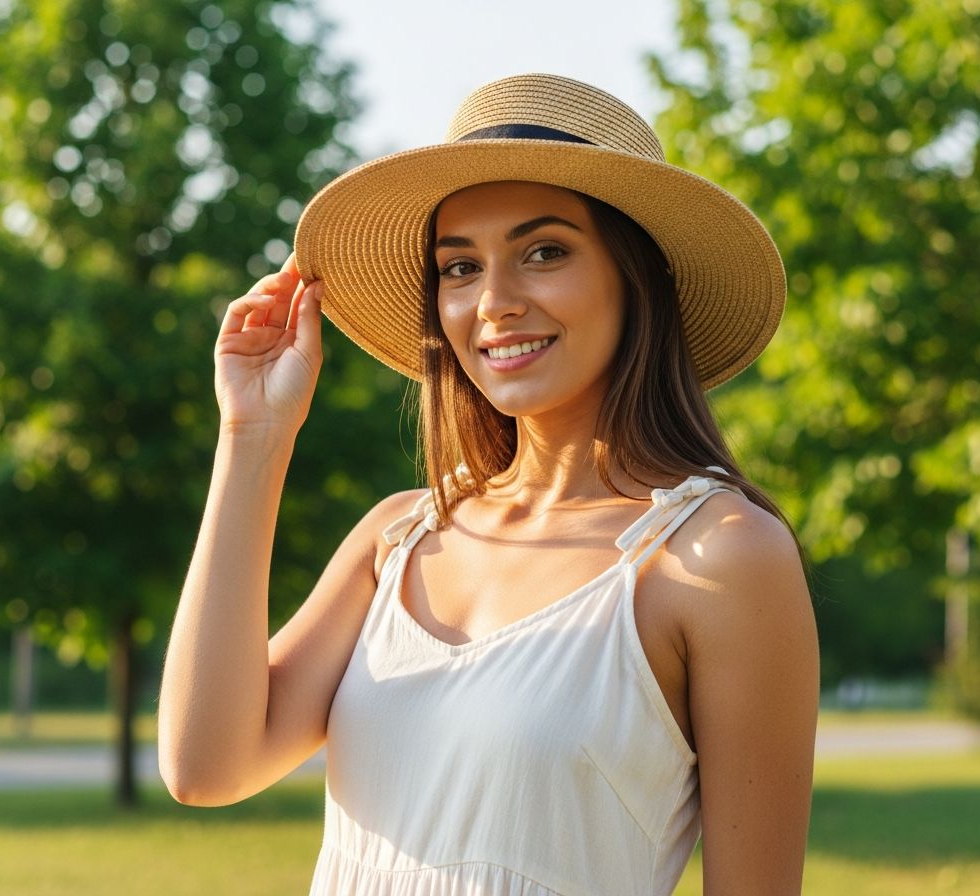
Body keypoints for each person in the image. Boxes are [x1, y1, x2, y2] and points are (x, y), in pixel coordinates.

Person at [158, 73, 818, 895]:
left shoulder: (719, 559)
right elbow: (204, 767)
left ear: (636, 278)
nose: (494, 303)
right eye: (460, 266)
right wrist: (253, 438)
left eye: (545, 252)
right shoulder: (399, 538)